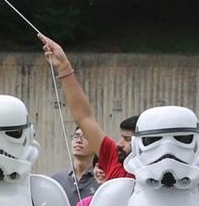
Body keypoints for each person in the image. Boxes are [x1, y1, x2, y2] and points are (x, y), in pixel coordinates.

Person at [38, 35, 133, 182]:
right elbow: (83, 117)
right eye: (122, 137)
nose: (119, 144)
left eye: (128, 139)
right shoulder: (113, 157)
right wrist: (63, 65)